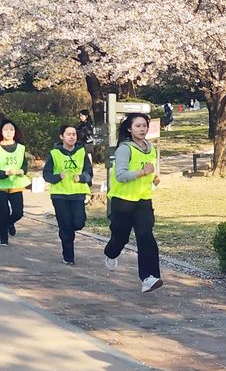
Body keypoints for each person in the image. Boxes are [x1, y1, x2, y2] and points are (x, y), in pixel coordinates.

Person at [104, 113, 163, 293]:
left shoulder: (151, 148)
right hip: (123, 202)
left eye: (144, 125)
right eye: (138, 126)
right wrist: (142, 173)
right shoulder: (124, 149)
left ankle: (149, 278)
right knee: (119, 238)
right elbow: (120, 176)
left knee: (146, 237)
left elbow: (152, 168)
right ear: (129, 129)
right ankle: (111, 254)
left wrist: (154, 178)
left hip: (143, 201)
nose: (142, 129)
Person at [42, 125, 93, 265]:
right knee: (65, 226)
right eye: (68, 134)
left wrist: (82, 178)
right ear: (61, 136)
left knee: (78, 223)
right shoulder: (54, 153)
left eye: (74, 134)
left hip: (77, 193)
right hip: (60, 195)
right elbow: (46, 174)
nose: (72, 137)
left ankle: (67, 232)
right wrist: (58, 176)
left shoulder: (82, 152)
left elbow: (89, 173)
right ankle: (68, 255)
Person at [0, 119, 30, 246]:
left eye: (11, 129)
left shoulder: (21, 147)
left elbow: (24, 164)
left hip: (16, 184)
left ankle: (9, 223)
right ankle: (3, 239)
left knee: (18, 212)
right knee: (3, 212)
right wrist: (5, 173)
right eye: (6, 130)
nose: (9, 132)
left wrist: (23, 171)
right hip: (1, 185)